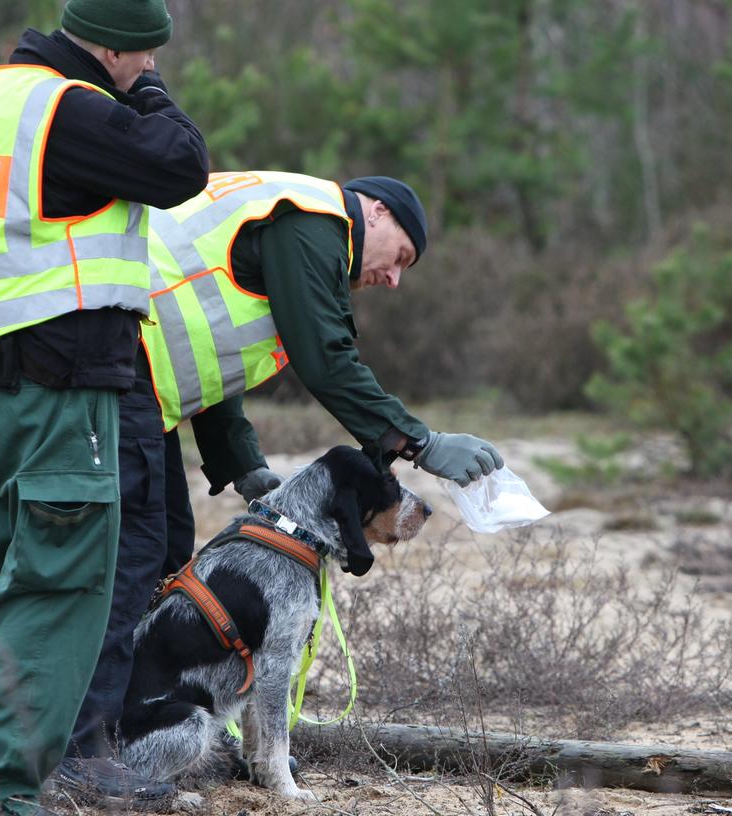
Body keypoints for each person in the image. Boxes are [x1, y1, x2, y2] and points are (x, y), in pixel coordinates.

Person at [56, 170, 504, 803]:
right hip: (113, 364)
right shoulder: (313, 223)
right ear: (374, 213)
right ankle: (89, 755)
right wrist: (418, 442)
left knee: (164, 555)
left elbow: (212, 358)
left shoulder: (295, 232)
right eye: (400, 255)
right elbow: (325, 356)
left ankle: (130, 739)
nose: (395, 277)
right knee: (131, 567)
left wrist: (244, 467)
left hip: (140, 381)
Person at [0, 0, 208, 811]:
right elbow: (182, 163)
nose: (150, 69)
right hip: (62, 390)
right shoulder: (67, 108)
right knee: (53, 591)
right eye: (144, 54)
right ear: (112, 46)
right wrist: (148, 96)